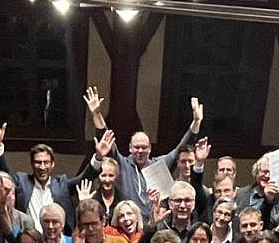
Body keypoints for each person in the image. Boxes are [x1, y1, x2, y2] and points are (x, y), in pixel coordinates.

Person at [86, 86, 203, 217]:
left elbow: (181, 149)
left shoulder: (160, 164)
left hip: (155, 224)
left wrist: (196, 122)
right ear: (130, 148)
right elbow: (106, 140)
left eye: (144, 147)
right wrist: (96, 114)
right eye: (136, 147)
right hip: (128, 224)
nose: (140, 151)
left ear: (150, 148)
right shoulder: (122, 164)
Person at [0, 117, 81, 229]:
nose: (42, 167)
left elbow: (85, 178)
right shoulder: (22, 182)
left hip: (57, 241)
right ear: (32, 164)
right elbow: (5, 177)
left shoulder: (62, 184)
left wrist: (99, 157)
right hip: (28, 242)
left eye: (46, 162)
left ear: (52, 164)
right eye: (38, 162)